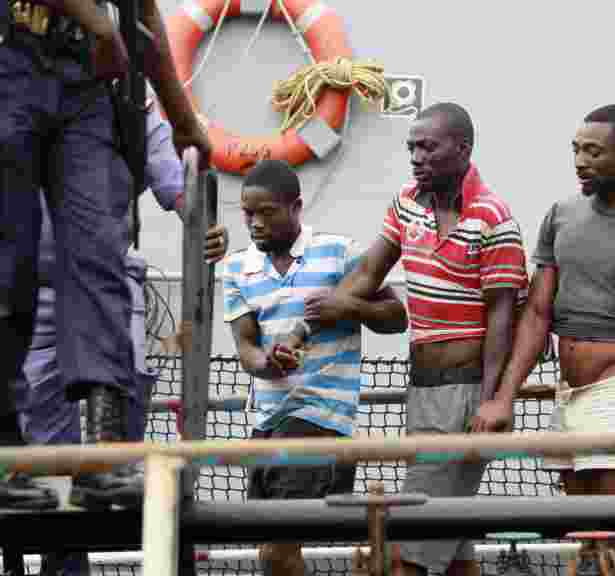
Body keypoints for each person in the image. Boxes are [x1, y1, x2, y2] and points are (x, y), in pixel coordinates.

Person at [0, 0, 211, 507]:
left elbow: (144, 15)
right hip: (11, 62)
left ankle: (104, 455)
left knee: (98, 255)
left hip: (87, 82)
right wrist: (97, 21)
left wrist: (182, 118)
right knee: (9, 267)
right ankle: (5, 458)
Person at [12, 94, 228, 573]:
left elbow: (176, 180)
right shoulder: (24, 84)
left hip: (106, 279)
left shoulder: (128, 99)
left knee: (124, 392)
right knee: (46, 453)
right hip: (29, 288)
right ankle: (64, 561)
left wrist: (202, 222)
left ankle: (112, 473)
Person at [474, 104, 615, 575]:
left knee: (614, 533)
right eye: (576, 150)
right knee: (582, 535)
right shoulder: (561, 215)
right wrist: (504, 397)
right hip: (567, 395)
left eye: (593, 152)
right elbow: (537, 313)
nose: (580, 161)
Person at [328, 102, 527, 576]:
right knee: (452, 552)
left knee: (408, 554)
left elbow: (503, 317)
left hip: (466, 393)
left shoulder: (493, 218)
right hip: (423, 390)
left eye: (427, 147)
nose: (416, 157)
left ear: (463, 149)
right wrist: (309, 322)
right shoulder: (405, 202)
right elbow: (369, 271)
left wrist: (491, 401)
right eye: (412, 147)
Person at [223, 159, 406, 576]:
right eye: (248, 214)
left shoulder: (340, 252)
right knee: (271, 555)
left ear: (296, 207)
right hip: (268, 423)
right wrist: (269, 364)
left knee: (279, 549)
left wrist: (348, 306)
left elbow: (397, 317)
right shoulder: (236, 268)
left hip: (320, 420)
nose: (255, 223)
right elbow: (247, 348)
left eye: (266, 212)